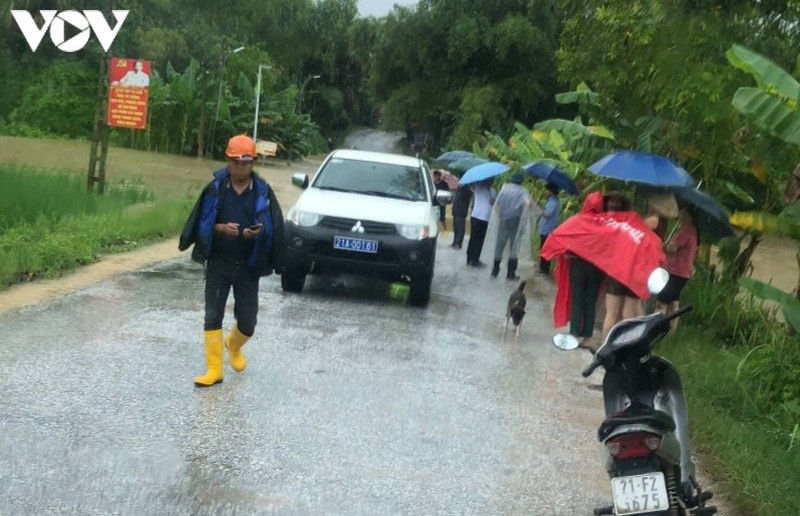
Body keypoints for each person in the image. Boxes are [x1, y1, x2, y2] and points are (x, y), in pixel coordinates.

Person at [179, 134, 285, 387]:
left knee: (248, 323)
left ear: (253, 163)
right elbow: (201, 223)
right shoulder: (215, 190)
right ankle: (214, 369)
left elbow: (276, 228)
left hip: (248, 266)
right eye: (235, 162)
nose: (240, 167)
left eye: (245, 163)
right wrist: (221, 229)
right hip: (219, 263)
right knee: (212, 316)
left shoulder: (263, 192)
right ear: (227, 160)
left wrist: (256, 234)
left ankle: (233, 345)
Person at [600, 191, 644, 339]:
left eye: (617, 202)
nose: (614, 204)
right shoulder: (634, 221)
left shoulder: (604, 222)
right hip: (633, 271)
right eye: (612, 201)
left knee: (613, 313)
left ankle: (606, 348)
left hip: (618, 271)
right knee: (627, 315)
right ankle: (622, 348)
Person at [656, 207, 698, 332]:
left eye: (683, 213)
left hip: (674, 272)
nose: (680, 215)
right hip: (683, 273)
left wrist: (662, 245)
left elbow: (672, 248)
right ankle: (671, 333)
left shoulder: (686, 231)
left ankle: (656, 329)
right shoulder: (693, 230)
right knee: (674, 304)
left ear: (688, 215)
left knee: (662, 303)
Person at [488, 171, 532, 280]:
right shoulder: (522, 191)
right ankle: (510, 274)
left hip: (504, 220)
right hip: (516, 221)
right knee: (514, 246)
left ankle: (495, 270)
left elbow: (497, 205)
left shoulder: (505, 189)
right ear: (521, 182)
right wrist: (524, 217)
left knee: (500, 244)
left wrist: (500, 217)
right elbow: (527, 203)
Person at [465, 177, 496, 268]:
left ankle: (471, 258)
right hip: (482, 217)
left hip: (478, 216)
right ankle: (474, 260)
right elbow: (494, 202)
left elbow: (495, 202)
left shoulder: (481, 188)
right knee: (478, 239)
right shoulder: (486, 189)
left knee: (475, 238)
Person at [536, 183, 560, 275]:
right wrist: (540, 205)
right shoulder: (551, 201)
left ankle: (544, 269)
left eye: (546, 190)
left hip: (547, 229)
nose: (545, 192)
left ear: (551, 191)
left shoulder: (553, 201)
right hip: (546, 229)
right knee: (543, 249)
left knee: (545, 249)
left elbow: (546, 214)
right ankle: (542, 268)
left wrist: (538, 208)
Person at [450, 182, 473, 250]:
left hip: (461, 211)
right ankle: (455, 242)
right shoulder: (459, 188)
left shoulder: (466, 188)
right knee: (456, 227)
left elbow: (467, 197)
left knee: (460, 228)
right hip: (456, 210)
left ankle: (458, 243)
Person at [432, 170, 451, 235]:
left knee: (442, 217)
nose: (436, 177)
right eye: (435, 176)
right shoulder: (432, 183)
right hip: (434, 202)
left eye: (437, 175)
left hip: (442, 202)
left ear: (440, 176)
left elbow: (447, 192)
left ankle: (445, 229)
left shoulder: (444, 183)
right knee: (433, 216)